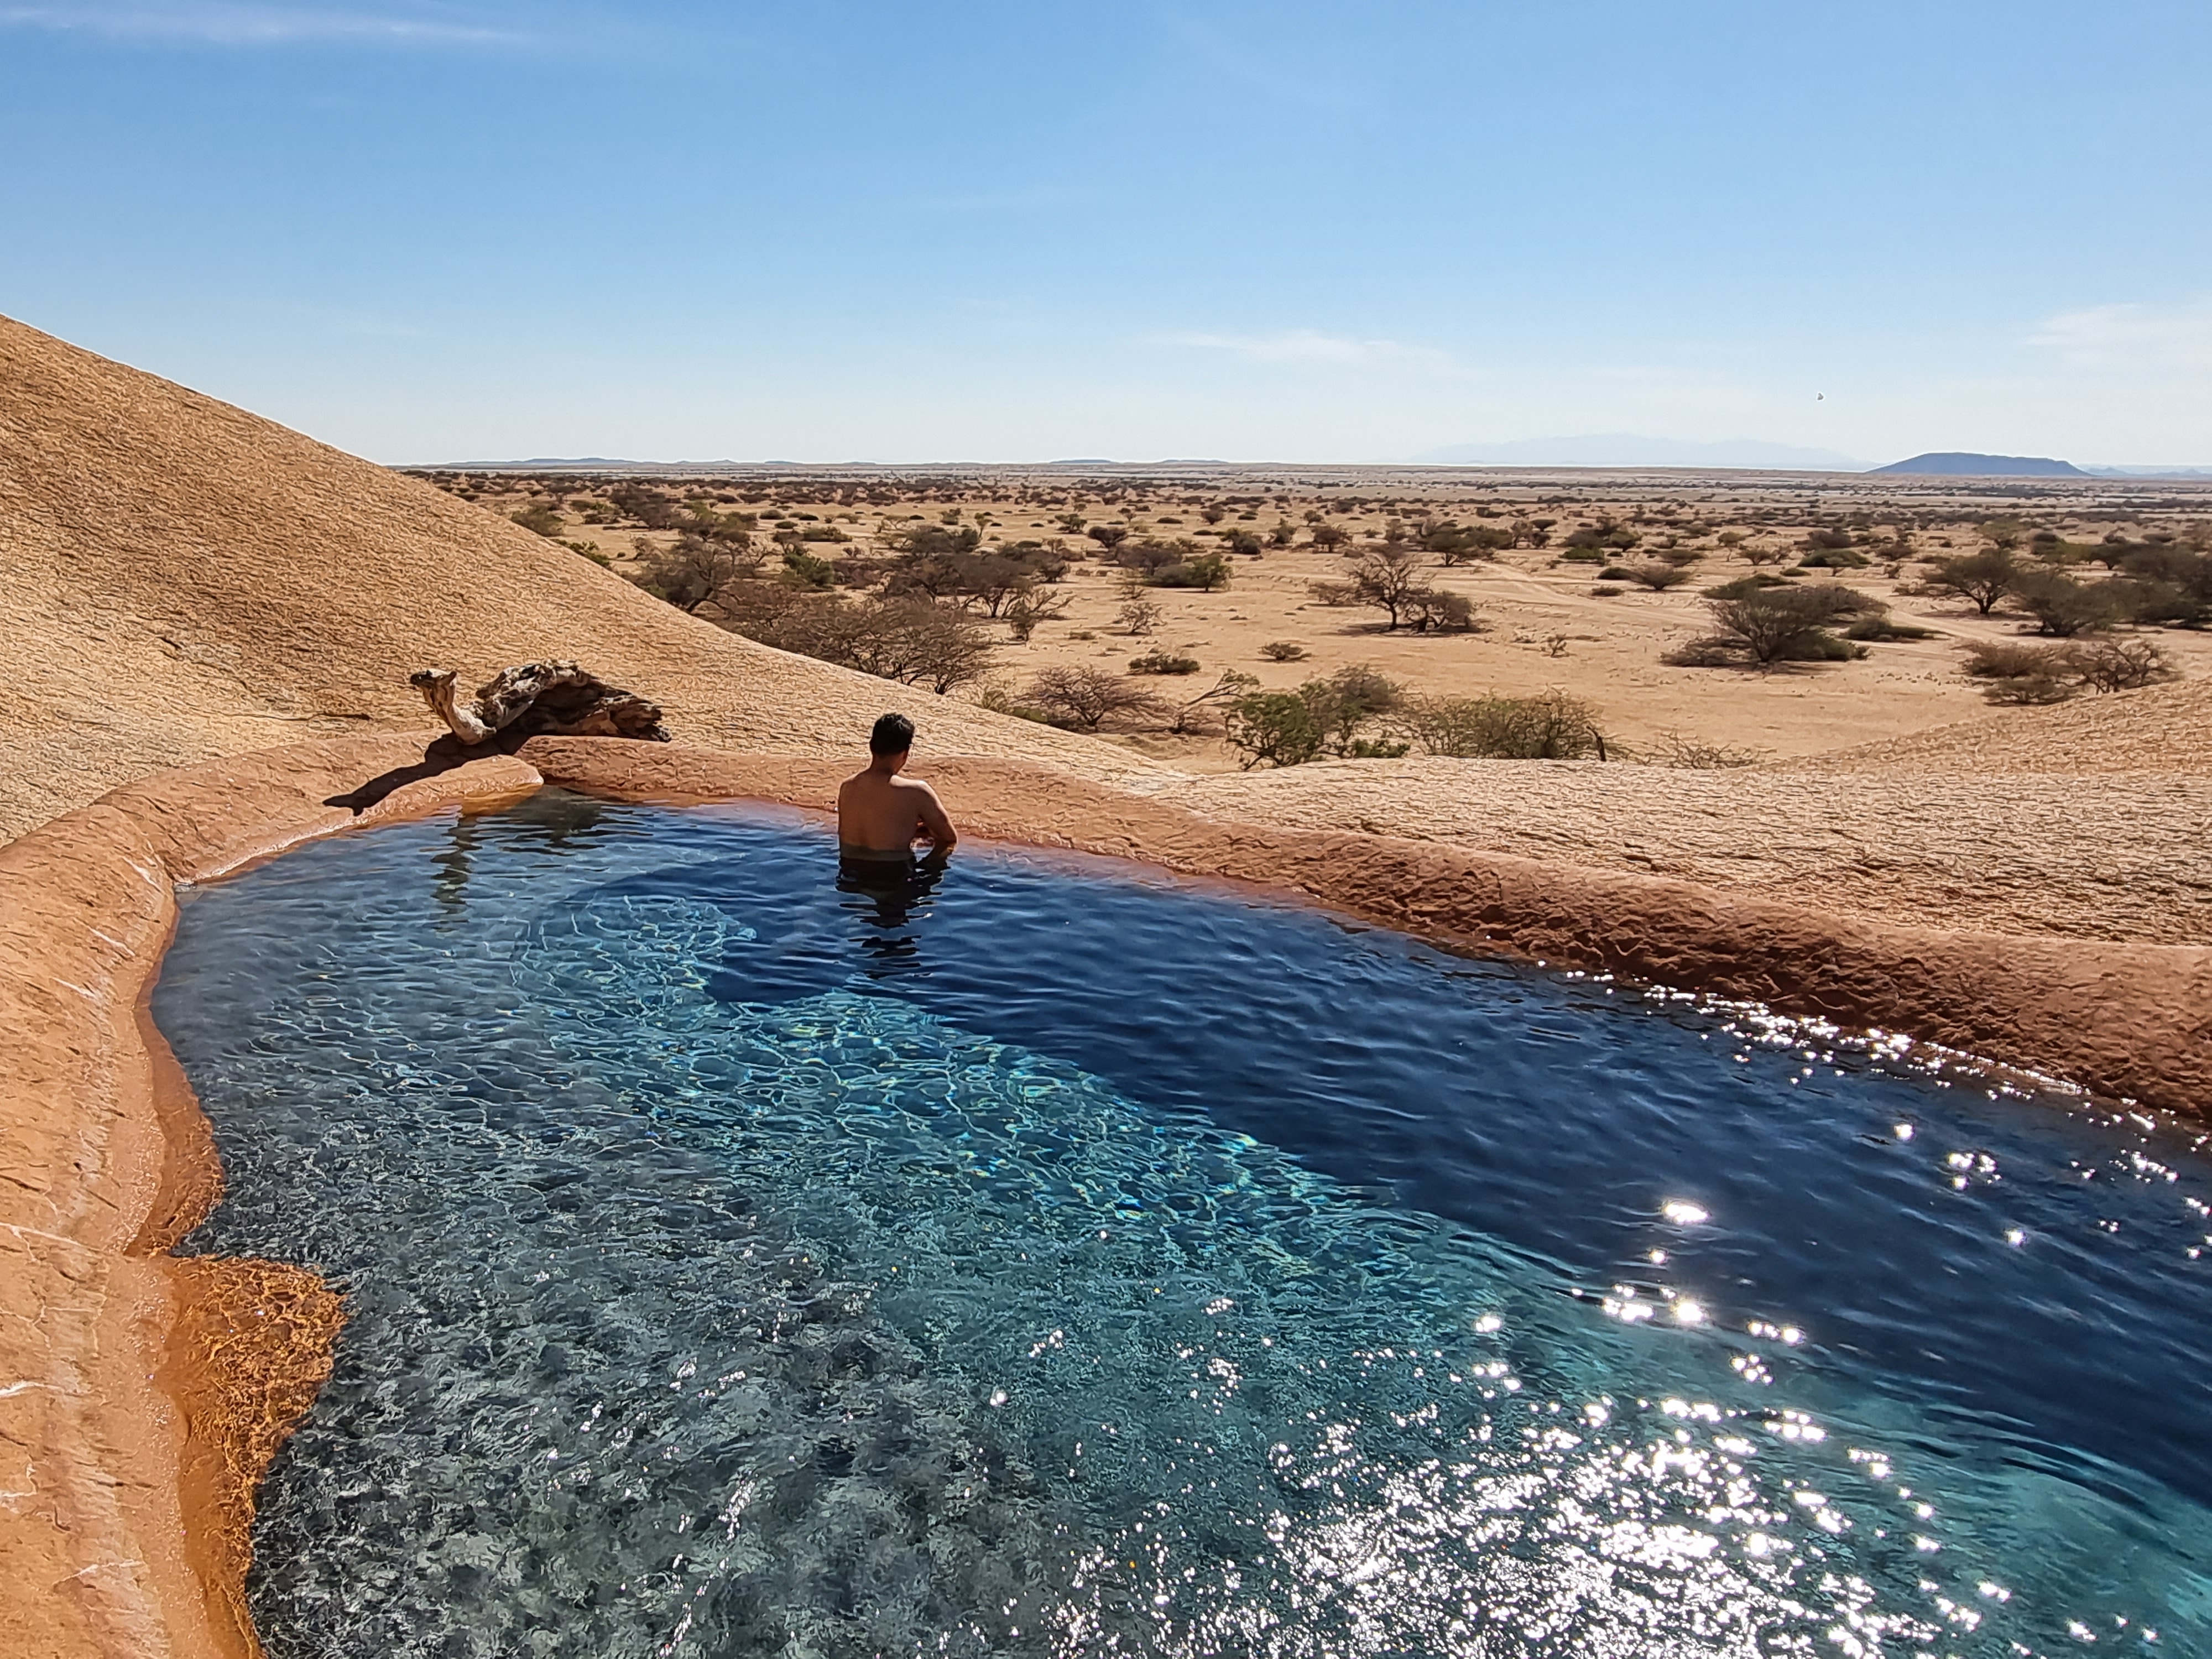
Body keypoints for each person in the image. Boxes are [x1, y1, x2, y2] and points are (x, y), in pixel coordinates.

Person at [836, 712, 957, 870]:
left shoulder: (847, 787)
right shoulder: (917, 792)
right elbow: (949, 839)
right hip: (893, 879)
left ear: (871, 746)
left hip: (849, 875)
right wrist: (926, 868)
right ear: (906, 753)